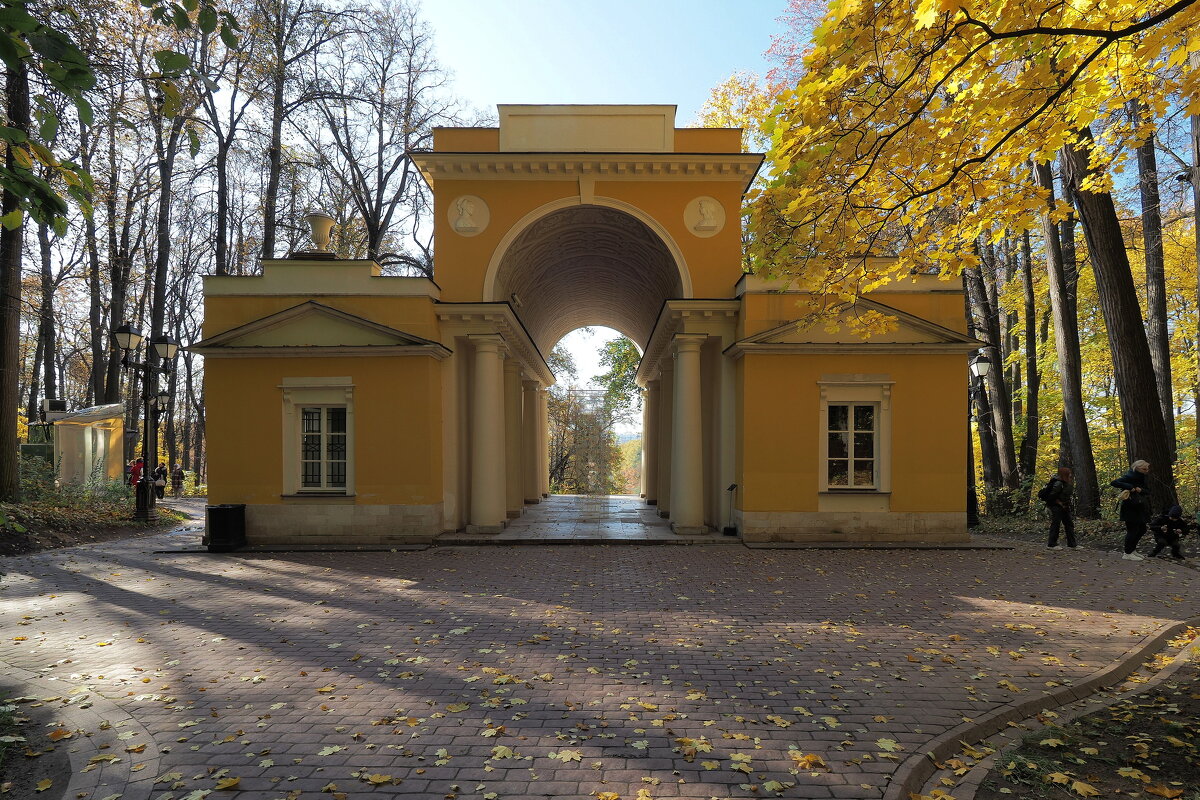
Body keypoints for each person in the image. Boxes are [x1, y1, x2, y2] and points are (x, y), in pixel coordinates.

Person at [1111, 459, 1152, 561]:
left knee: (1142, 529)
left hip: (1140, 507)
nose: (1146, 470)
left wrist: (1140, 490)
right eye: (1144, 469)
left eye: (1147, 469)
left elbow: (1148, 491)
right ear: (1137, 468)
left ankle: (1132, 549)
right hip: (1130, 507)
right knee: (1132, 530)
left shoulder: (1143, 478)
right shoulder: (1129, 476)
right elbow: (1114, 482)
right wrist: (1130, 487)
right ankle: (1127, 553)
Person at [1044, 466, 1076, 550]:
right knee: (1056, 524)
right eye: (1068, 473)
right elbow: (1052, 497)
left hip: (1064, 506)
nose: (1070, 475)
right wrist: (1060, 503)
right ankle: (1051, 544)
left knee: (1069, 524)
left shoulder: (1066, 483)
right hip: (1056, 507)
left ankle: (1072, 544)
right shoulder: (1058, 484)